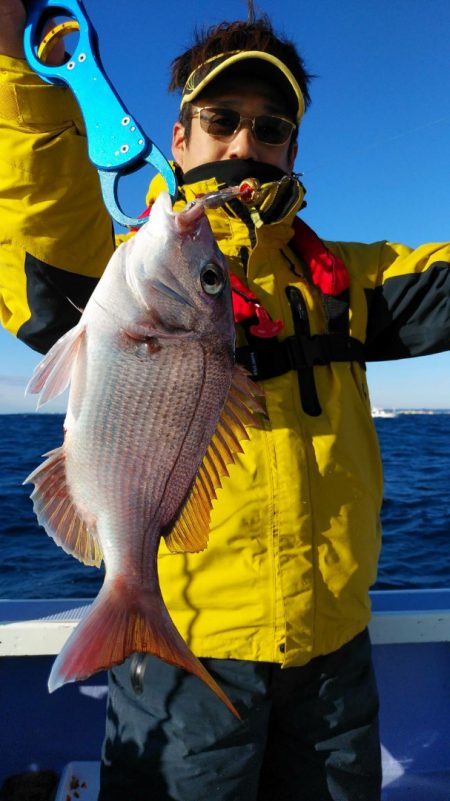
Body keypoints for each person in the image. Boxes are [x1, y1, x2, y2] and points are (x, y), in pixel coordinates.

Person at [1, 4, 450, 801]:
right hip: (191, 648)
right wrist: (10, 57)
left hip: (334, 660)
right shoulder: (118, 270)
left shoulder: (346, 282)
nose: (245, 143)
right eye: (219, 119)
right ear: (178, 139)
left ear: (292, 148)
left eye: (270, 126)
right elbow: (31, 219)